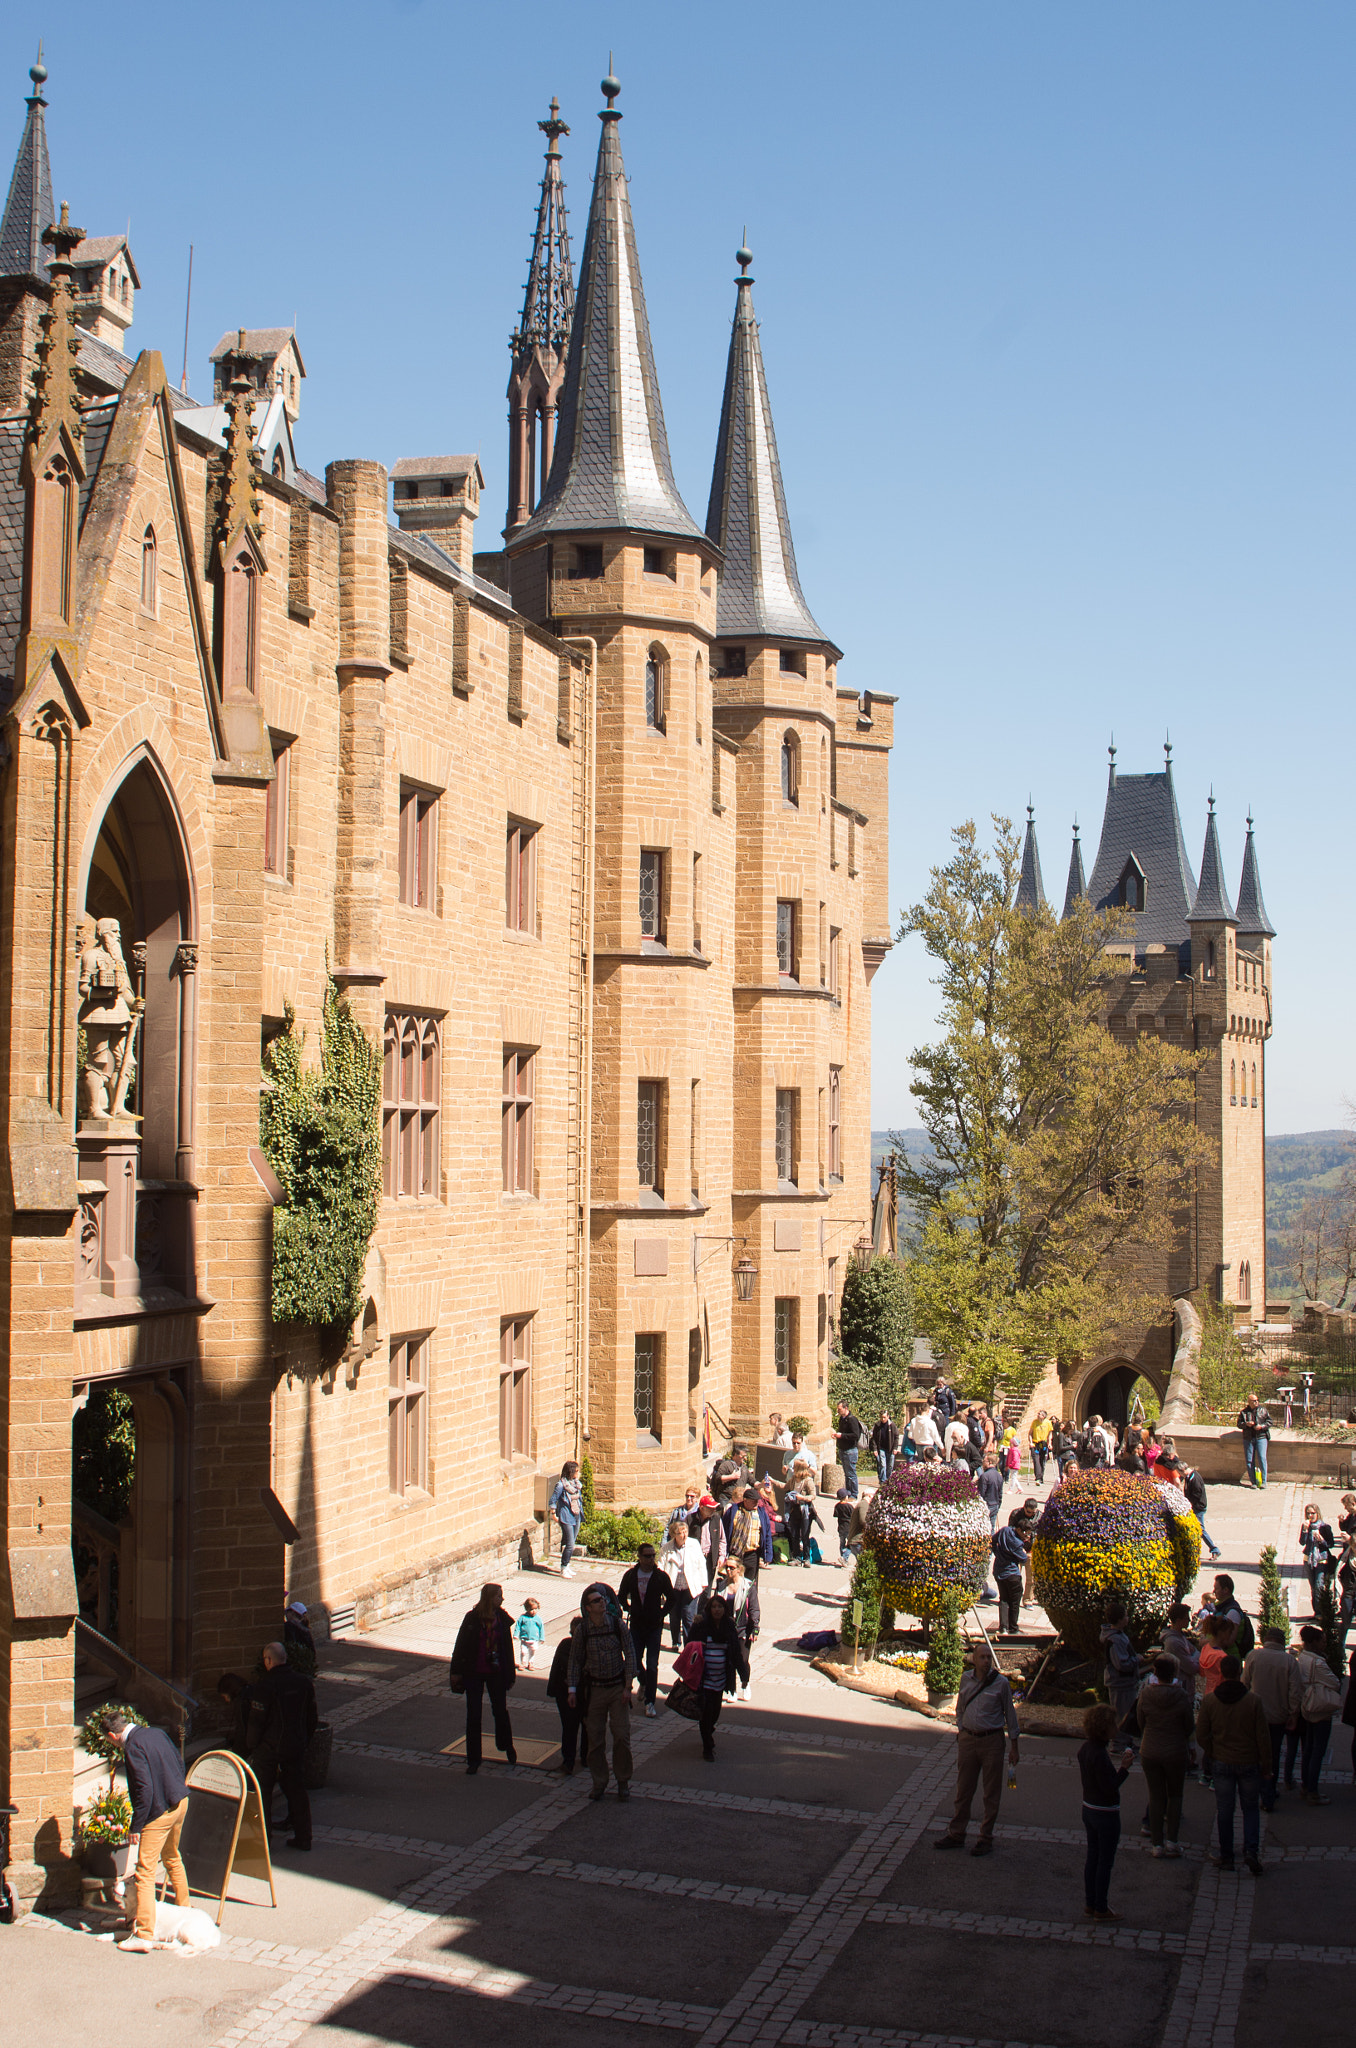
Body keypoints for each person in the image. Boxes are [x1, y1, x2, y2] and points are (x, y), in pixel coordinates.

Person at [105, 1712, 191, 1950]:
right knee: (173, 1858)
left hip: (159, 1812)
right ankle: (186, 1915)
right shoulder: (156, 1732)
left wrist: (137, 1825)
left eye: (110, 1740)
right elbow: (178, 1761)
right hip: (180, 1801)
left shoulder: (132, 1747)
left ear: (113, 1735)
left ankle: (143, 1934)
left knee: (144, 1872)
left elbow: (144, 1788)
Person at [934, 1641, 1020, 1855]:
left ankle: (985, 1837)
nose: (986, 1662)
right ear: (974, 1659)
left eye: (989, 1658)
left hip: (992, 1741)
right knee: (964, 1789)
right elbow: (960, 1707)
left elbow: (1010, 1715)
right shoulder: (966, 1679)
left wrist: (1014, 1746)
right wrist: (962, 1729)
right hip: (969, 1740)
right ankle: (957, 1833)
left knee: (991, 1792)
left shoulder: (1000, 1684)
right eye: (982, 1657)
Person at [1195, 1654, 1271, 1874]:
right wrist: (1266, 1767)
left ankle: (1226, 1855)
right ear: (1240, 1673)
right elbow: (1263, 1738)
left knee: (1225, 1810)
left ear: (1221, 1673)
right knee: (1250, 1810)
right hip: (1248, 1762)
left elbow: (1201, 1734)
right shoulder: (1253, 1701)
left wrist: (1213, 1751)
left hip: (1222, 1761)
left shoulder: (1210, 1701)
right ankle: (1251, 1851)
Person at [568, 1582, 637, 1800]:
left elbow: (631, 1655)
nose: (602, 1603)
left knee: (621, 1737)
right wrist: (572, 1689)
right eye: (597, 1601)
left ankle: (623, 1781)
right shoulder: (583, 1631)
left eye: (603, 1599)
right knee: (595, 1739)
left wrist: (628, 1687)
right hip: (594, 1691)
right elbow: (575, 1661)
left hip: (617, 1689)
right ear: (588, 1607)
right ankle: (599, 1782)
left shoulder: (617, 1625)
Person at [448, 1584, 517, 1775]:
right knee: (474, 1715)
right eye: (498, 1596)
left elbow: (508, 1650)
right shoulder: (473, 1618)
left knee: (500, 1711)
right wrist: (456, 1671)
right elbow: (460, 1645)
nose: (502, 1599)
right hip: (474, 1671)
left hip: (496, 1671)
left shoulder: (501, 1619)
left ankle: (506, 1745)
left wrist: (510, 1674)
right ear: (489, 1598)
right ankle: (474, 1759)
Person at [1078, 1703, 1134, 1917]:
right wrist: (1124, 1770)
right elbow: (1110, 1787)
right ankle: (1101, 1906)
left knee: (1092, 1857)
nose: (1116, 1728)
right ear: (1104, 1728)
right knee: (1104, 1861)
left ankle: (1090, 1902)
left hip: (1089, 1809)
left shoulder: (1085, 1749)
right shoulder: (1100, 1755)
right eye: (1112, 1725)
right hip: (1105, 1812)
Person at [1136, 1656, 1194, 1855]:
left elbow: (1140, 1721)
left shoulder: (1146, 1694)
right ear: (1174, 1674)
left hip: (1150, 1749)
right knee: (1175, 1796)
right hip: (1175, 1750)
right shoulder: (1182, 1696)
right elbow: (1188, 1725)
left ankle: (1157, 1844)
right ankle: (1172, 1841)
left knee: (1156, 1795)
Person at [1243, 1626, 1300, 1811]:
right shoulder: (1289, 1661)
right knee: (1273, 1755)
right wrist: (1293, 1714)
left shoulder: (1253, 1656)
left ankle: (1257, 1791)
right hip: (1278, 1716)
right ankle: (1269, 1792)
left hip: (1254, 1714)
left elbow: (1244, 1683)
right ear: (1282, 1642)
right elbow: (1294, 1692)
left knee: (1255, 1753)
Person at [688, 1590, 748, 1760]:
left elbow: (736, 1654)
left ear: (724, 1609)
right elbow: (690, 1646)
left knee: (715, 1713)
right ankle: (707, 1746)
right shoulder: (701, 1626)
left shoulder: (729, 1627)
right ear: (709, 1609)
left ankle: (708, 1731)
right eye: (713, 1607)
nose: (716, 1610)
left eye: (719, 1606)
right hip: (704, 1680)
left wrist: (744, 1676)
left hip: (721, 1679)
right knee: (706, 1713)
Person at [618, 1541, 675, 1716]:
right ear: (640, 1557)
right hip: (636, 1624)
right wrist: (629, 1609)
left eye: (653, 1556)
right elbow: (621, 1595)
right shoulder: (631, 1575)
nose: (650, 1559)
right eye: (647, 1556)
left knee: (652, 1665)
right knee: (633, 1660)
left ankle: (650, 1701)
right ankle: (643, 1681)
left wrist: (661, 1614)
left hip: (654, 1626)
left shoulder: (660, 1577)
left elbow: (671, 1598)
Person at [1292, 1622, 1342, 1805]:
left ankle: (1306, 1786)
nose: (1325, 1644)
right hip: (1319, 1708)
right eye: (1322, 1641)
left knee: (1308, 1749)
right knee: (1317, 1751)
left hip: (1307, 1705)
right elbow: (1335, 1683)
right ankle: (1313, 1790)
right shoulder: (1318, 1663)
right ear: (1315, 1642)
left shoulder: (1303, 1657)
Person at [546, 1616, 588, 1774]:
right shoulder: (567, 1645)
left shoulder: (576, 1646)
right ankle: (575, 1759)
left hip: (577, 1692)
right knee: (573, 1727)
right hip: (568, 1692)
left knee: (578, 1727)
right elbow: (558, 1668)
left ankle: (578, 1758)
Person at [716, 1555, 759, 1699]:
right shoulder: (721, 1586)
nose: (728, 1570)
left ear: (739, 1569)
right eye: (726, 1567)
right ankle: (732, 1690)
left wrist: (755, 1628)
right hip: (726, 1629)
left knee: (742, 1659)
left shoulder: (748, 1587)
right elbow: (714, 1606)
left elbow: (754, 1609)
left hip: (743, 1628)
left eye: (732, 1568)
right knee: (729, 1661)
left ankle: (745, 1683)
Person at [1100, 1603, 1143, 1746]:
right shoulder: (1115, 1639)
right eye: (1125, 1615)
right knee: (1122, 1716)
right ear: (1119, 1620)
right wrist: (1136, 1659)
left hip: (1125, 1682)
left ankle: (1125, 1741)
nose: (1128, 1618)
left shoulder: (1119, 1636)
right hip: (1120, 1682)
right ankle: (1119, 1743)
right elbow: (1121, 1664)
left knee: (1126, 1714)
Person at [660, 1516, 706, 1643]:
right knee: (674, 1616)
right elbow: (661, 1567)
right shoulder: (666, 1548)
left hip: (689, 1586)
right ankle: (675, 1641)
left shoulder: (694, 1544)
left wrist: (703, 1582)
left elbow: (701, 1563)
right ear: (674, 1534)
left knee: (688, 1616)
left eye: (685, 1531)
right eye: (680, 1533)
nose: (684, 1535)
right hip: (673, 1587)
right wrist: (661, 1587)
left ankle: (689, 1643)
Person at [991, 1510, 1030, 1637]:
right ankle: (1013, 1627)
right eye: (1025, 1533)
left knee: (1003, 1599)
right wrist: (1025, 1552)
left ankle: (1003, 1627)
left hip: (999, 1571)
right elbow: (1023, 1559)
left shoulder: (1005, 1530)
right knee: (1014, 1601)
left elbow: (993, 1540)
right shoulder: (1017, 1544)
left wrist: (997, 1553)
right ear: (1019, 1530)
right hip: (1012, 1574)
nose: (1027, 1536)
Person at [1299, 1503, 1337, 1614]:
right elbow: (1302, 1542)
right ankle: (1317, 1612)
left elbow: (1330, 1544)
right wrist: (1305, 1530)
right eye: (1308, 1513)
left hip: (1321, 1560)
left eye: (1312, 1513)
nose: (1310, 1515)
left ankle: (1321, 1612)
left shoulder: (1324, 1527)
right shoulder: (1306, 1526)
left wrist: (1321, 1540)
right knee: (1313, 1587)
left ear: (1317, 1513)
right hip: (1308, 1559)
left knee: (1319, 1586)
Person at [549, 1461, 584, 1578]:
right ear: (571, 1471)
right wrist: (553, 1514)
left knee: (572, 1542)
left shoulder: (576, 1484)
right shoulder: (561, 1485)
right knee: (569, 1544)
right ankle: (563, 1567)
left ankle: (567, 1564)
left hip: (576, 1514)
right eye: (576, 1471)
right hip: (566, 1516)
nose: (578, 1473)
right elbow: (553, 1500)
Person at [785, 1464, 824, 1567]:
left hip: (805, 1511)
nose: (793, 1469)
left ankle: (806, 1558)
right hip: (795, 1509)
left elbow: (813, 1496)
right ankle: (796, 1557)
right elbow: (784, 1487)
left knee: (805, 1535)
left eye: (794, 1467)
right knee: (795, 1535)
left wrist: (802, 1497)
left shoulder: (808, 1481)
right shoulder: (793, 1479)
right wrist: (772, 1481)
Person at [1237, 1394, 1270, 1489]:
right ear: (1249, 1402)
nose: (1256, 1402)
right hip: (1249, 1438)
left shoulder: (1263, 1410)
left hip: (1261, 1437)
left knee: (1262, 1458)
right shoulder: (1244, 1412)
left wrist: (1261, 1426)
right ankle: (1253, 1482)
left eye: (1257, 1400)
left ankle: (1264, 1481)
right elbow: (1239, 1424)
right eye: (1254, 1401)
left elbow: (1269, 1422)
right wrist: (1246, 1424)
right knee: (1249, 1460)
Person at [835, 1401, 865, 1496]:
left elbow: (855, 1435)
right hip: (843, 1449)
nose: (838, 1411)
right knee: (847, 1474)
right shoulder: (842, 1419)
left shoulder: (852, 1420)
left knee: (851, 1474)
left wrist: (842, 1436)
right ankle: (848, 1493)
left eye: (840, 1409)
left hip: (850, 1450)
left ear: (846, 1408)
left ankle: (854, 1494)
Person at [513, 1596, 545, 1671]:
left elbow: (541, 1628)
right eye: (531, 1609)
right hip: (524, 1639)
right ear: (526, 1609)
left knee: (533, 1651)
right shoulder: (523, 1617)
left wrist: (542, 1637)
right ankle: (522, 1663)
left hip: (534, 1639)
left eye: (535, 1609)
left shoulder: (538, 1619)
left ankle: (531, 1663)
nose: (533, 1611)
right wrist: (516, 1634)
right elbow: (518, 1626)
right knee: (523, 1652)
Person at [871, 1410, 900, 1486]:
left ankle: (888, 1479)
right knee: (882, 1465)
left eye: (884, 1417)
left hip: (890, 1448)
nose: (883, 1419)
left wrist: (895, 1448)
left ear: (888, 1416)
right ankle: (883, 1481)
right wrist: (875, 1449)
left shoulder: (892, 1425)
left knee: (890, 1466)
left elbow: (896, 1437)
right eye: (881, 1417)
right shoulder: (877, 1425)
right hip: (881, 1448)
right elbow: (874, 1438)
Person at [834, 1487, 858, 1566]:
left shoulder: (837, 1506)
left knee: (842, 1543)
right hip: (849, 1527)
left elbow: (836, 1515)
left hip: (841, 1527)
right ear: (845, 1497)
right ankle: (845, 1557)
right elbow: (854, 1515)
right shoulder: (849, 1506)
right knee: (851, 1542)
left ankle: (842, 1555)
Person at [1028, 1410, 1053, 1485]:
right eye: (1038, 1413)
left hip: (1043, 1444)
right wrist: (1031, 1442)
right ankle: (1038, 1478)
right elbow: (1030, 1433)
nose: (1038, 1415)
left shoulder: (1048, 1423)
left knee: (1042, 1460)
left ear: (1043, 1416)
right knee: (1036, 1460)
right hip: (1035, 1444)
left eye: (1039, 1414)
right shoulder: (1034, 1422)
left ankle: (1041, 1477)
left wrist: (1050, 1443)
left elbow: (1050, 1434)